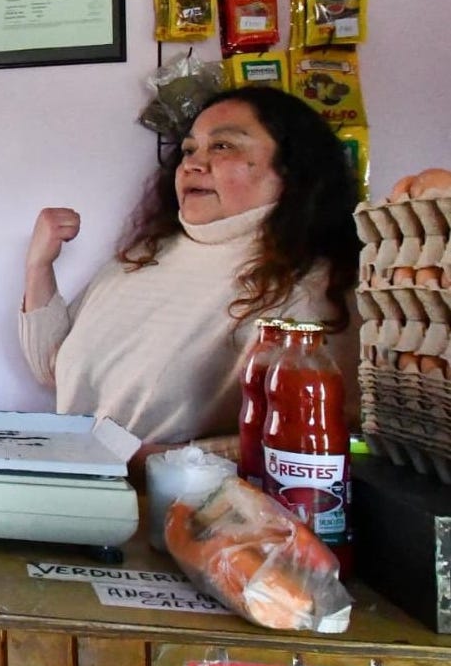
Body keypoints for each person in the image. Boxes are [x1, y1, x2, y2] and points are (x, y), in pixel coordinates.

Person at [19, 86, 361, 448]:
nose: (193, 164)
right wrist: (39, 266)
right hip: (83, 476)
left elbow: (320, 442)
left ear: (292, 169)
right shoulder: (145, 255)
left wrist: (157, 462)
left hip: (168, 487)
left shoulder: (314, 285)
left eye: (223, 146)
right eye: (189, 150)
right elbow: (52, 369)